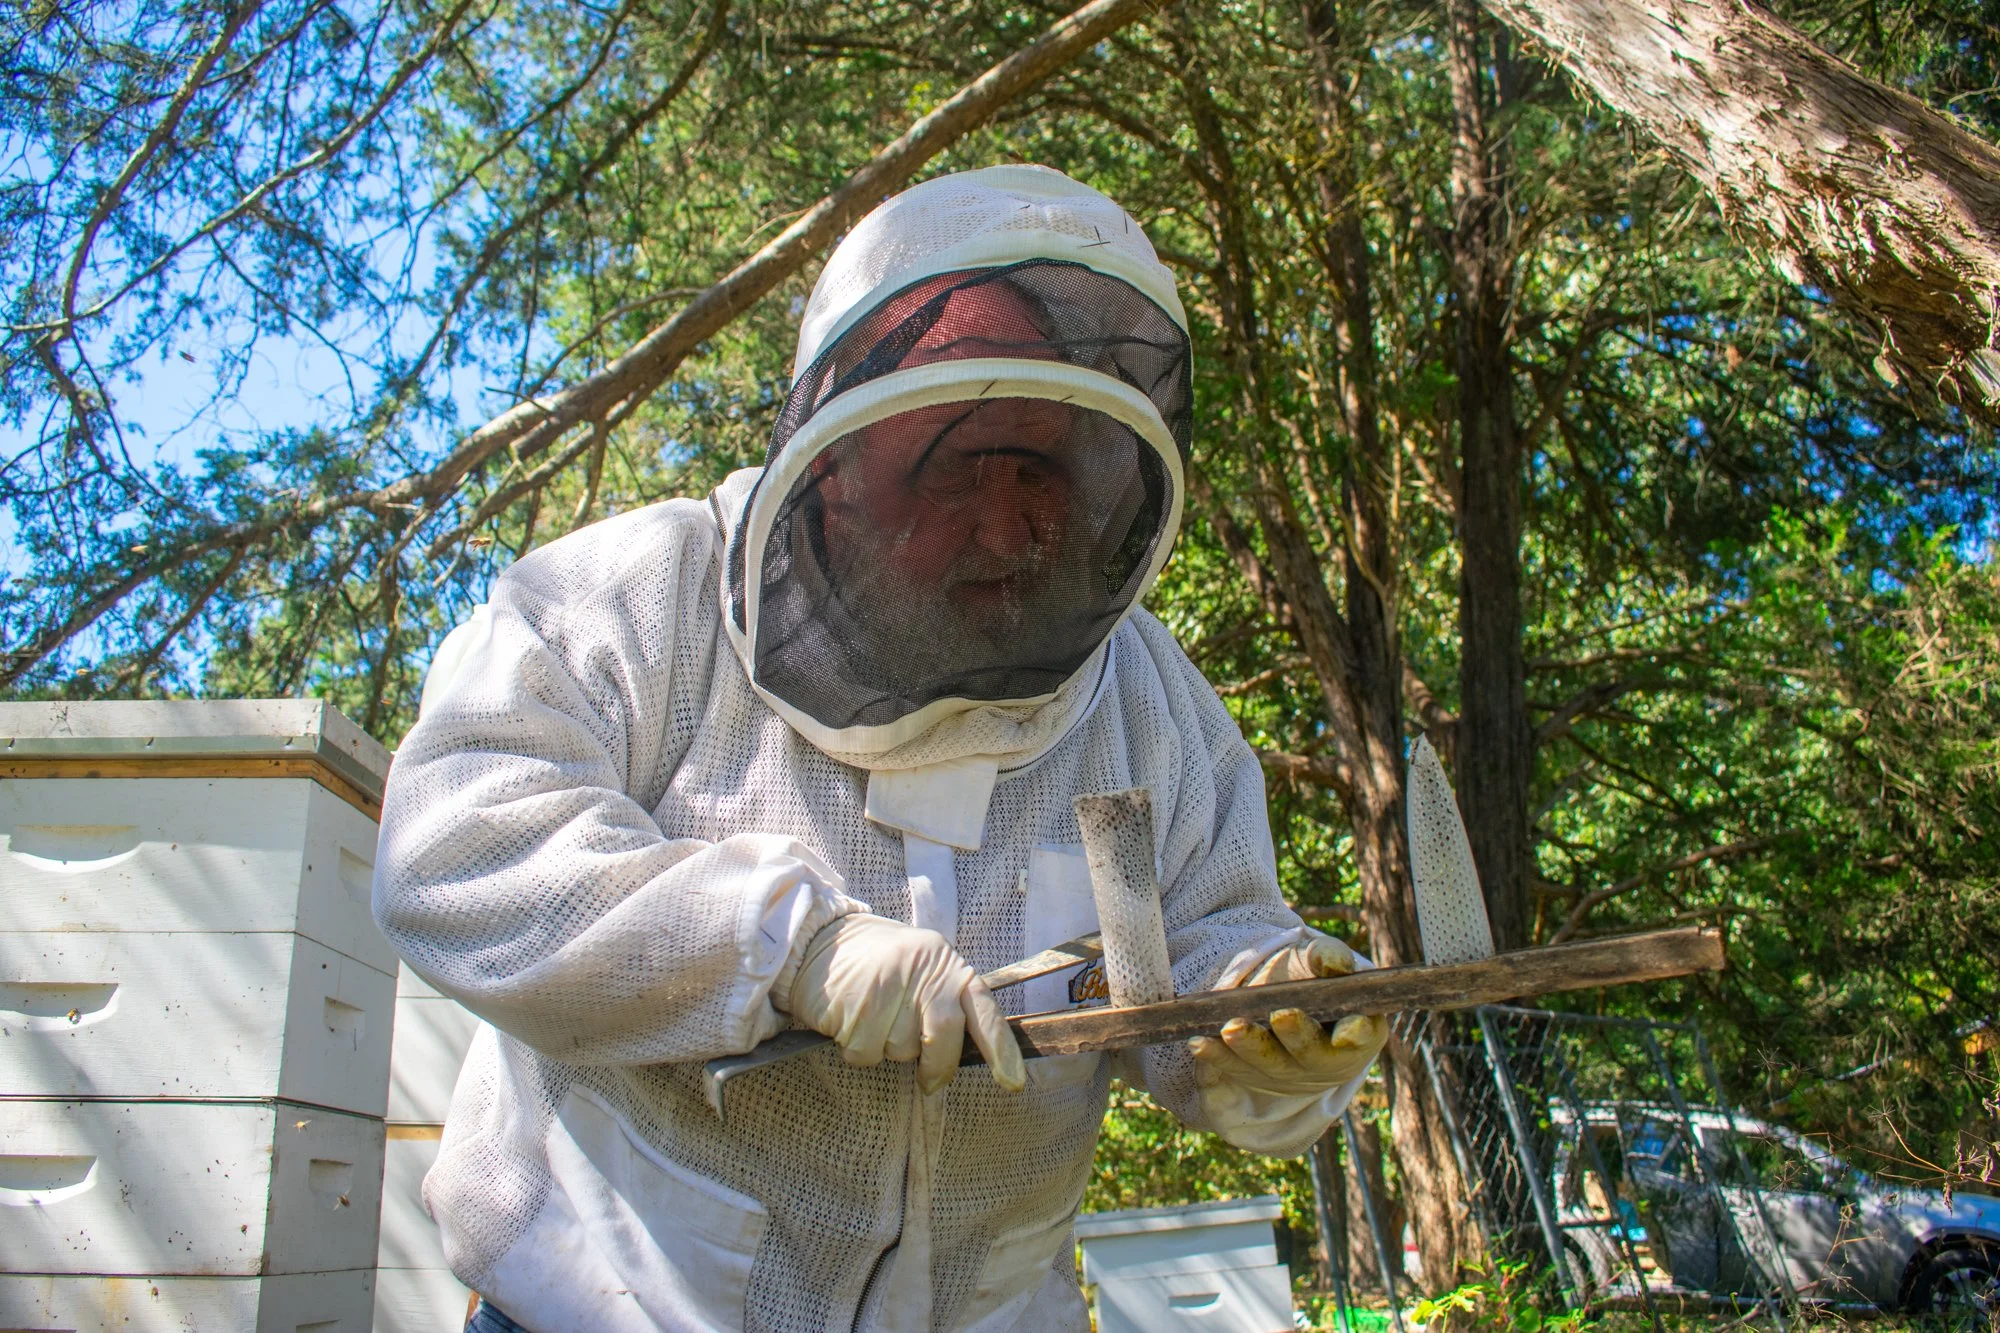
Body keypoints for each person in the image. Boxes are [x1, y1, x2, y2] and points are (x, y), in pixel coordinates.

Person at [375, 164, 1390, 1333]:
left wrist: (1257, 1021)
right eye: (957, 468)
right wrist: (784, 950)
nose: (1010, 528)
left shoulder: (1144, 700)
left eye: (1044, 468)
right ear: (840, 470)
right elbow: (457, 852)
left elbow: (1203, 934)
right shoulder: (634, 601)